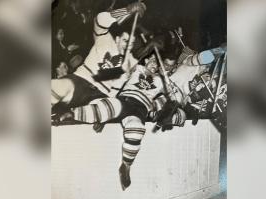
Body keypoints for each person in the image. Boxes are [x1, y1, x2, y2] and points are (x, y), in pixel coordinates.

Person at [57, 55, 185, 190]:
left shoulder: (160, 80)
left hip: (141, 107)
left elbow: (176, 98)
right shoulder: (137, 68)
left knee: (136, 128)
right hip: (126, 100)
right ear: (146, 60)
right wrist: (105, 119)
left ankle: (126, 166)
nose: (155, 64)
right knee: (106, 107)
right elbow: (122, 71)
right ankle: (70, 113)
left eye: (157, 63)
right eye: (152, 60)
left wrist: (171, 89)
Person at [51, 2, 163, 114]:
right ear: (118, 39)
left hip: (100, 95)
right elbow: (100, 20)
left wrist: (148, 48)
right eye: (125, 40)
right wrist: (127, 10)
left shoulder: (130, 61)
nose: (128, 45)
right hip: (80, 81)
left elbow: (115, 88)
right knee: (56, 87)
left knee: (111, 107)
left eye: (132, 43)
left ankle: (69, 115)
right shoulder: (104, 38)